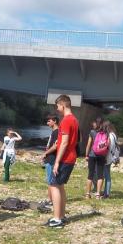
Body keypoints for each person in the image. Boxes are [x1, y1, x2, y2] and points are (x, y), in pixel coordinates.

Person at [48, 94, 79, 229]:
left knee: (54, 185)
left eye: (57, 106)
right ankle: (61, 216)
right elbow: (70, 140)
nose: (57, 108)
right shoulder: (74, 120)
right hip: (71, 157)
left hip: (65, 158)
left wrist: (56, 162)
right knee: (60, 186)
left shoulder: (66, 120)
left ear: (63, 105)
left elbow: (65, 143)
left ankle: (57, 219)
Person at [85, 117, 107, 199]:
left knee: (90, 175)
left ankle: (87, 194)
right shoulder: (106, 133)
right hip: (101, 155)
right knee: (100, 175)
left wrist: (86, 155)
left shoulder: (92, 132)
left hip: (92, 155)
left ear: (96, 123)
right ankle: (98, 194)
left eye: (93, 123)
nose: (92, 125)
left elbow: (88, 144)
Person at [42, 114, 59, 204]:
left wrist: (45, 153)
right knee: (50, 180)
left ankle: (50, 200)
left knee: (50, 180)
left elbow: (55, 146)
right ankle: (51, 199)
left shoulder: (56, 132)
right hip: (50, 158)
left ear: (54, 121)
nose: (47, 123)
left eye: (49, 121)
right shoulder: (54, 131)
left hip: (52, 159)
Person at [103, 121, 118, 198]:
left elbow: (109, 147)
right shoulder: (114, 135)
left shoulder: (110, 136)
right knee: (107, 174)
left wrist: (105, 157)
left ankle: (107, 193)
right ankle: (106, 191)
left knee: (107, 176)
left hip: (108, 157)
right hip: (111, 157)